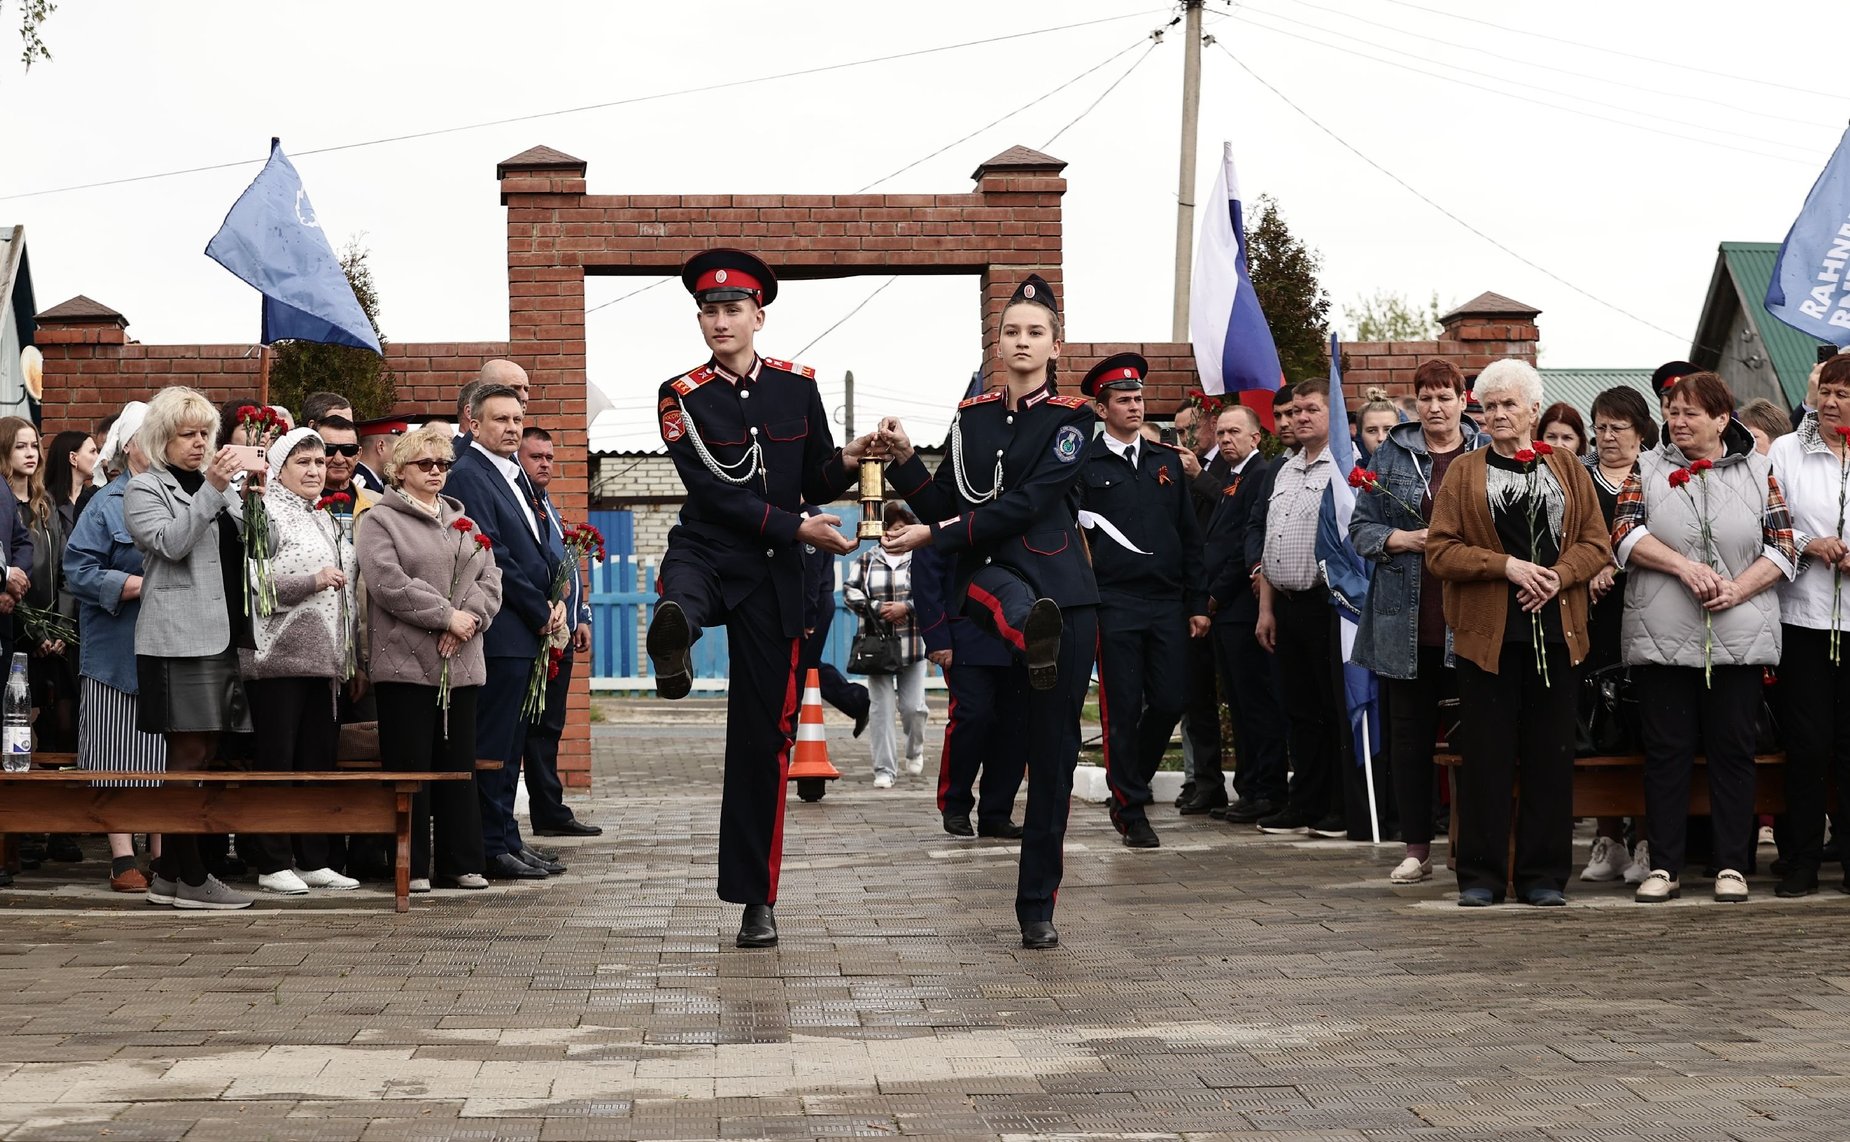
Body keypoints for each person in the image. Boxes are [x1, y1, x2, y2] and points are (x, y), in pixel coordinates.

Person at [644, 249, 874, 949]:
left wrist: (859, 453)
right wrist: (795, 523)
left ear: (758, 316)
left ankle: (756, 900)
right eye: (709, 311)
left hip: (778, 572)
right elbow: (715, 491)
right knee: (680, 594)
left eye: (732, 310)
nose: (720, 320)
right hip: (713, 548)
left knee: (759, 739)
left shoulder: (797, 388)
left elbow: (816, 475)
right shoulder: (680, 395)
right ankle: (674, 640)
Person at [878, 273, 1098, 950]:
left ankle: (1037, 907)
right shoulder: (971, 417)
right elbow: (948, 498)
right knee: (1000, 613)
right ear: (996, 343)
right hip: (988, 583)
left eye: (1036, 332)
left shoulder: (1074, 422)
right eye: (1011, 332)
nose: (1022, 342)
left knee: (1052, 754)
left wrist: (933, 535)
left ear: (1055, 344)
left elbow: (1026, 504)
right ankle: (1023, 630)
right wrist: (904, 461)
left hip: (1062, 593)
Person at [1427, 358, 1611, 907]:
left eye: (1510, 404)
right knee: (1486, 756)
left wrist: (1556, 576)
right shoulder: (1465, 470)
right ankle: (1481, 876)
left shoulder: (1568, 467)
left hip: (1557, 634)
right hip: (1488, 638)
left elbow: (1596, 543)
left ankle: (1543, 876)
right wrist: (1505, 566)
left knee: (1550, 758)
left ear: (1534, 409)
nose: (1499, 414)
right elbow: (1440, 549)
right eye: (1490, 405)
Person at [1614, 370, 1796, 903]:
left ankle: (1732, 866)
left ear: (1722, 418)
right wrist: (1682, 567)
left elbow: (1784, 546)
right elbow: (1624, 535)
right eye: (1672, 412)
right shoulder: (1646, 468)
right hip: (1663, 635)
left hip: (1738, 637)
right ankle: (1664, 866)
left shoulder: (1760, 471)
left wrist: (1738, 590)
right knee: (1666, 752)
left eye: (1691, 413)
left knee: (1733, 752)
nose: (1678, 422)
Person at [1348, 359, 1488, 885]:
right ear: (1415, 403)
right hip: (1404, 623)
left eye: (1445, 397)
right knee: (1408, 741)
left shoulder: (1484, 452)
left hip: (1471, 620)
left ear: (1461, 401)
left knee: (1473, 736)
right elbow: (1359, 529)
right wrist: (1400, 539)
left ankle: (1473, 843)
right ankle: (1415, 847)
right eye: (1425, 398)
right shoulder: (1390, 455)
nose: (1435, 407)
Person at [123, 387, 256, 910]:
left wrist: (251, 499)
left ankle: (169, 874)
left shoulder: (216, 485)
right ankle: (194, 878)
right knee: (185, 754)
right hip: (176, 638)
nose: (200, 443)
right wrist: (214, 490)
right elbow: (172, 544)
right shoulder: (144, 489)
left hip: (219, 632)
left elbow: (244, 543)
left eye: (206, 433)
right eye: (188, 434)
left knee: (205, 751)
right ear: (163, 438)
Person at [358, 422, 503, 892]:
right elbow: (387, 582)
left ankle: (460, 861)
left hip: (461, 661)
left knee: (458, 764)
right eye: (426, 464)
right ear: (399, 471)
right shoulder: (380, 520)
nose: (437, 471)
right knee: (410, 765)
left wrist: (468, 622)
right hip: (405, 662)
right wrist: (445, 617)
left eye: (443, 463)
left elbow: (490, 579)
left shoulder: (465, 521)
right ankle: (412, 864)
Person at [1077, 353, 1206, 846]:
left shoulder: (1165, 461)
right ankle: (1130, 809)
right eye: (1124, 401)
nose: (1135, 407)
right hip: (1114, 601)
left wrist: (1197, 601)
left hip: (1168, 602)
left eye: (1138, 398)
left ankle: (1128, 782)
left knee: (1171, 699)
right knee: (1122, 706)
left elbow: (1189, 537)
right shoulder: (1085, 465)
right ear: (1102, 408)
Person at [228, 428, 362, 895]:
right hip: (277, 659)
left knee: (316, 764)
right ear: (280, 468)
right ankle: (271, 859)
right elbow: (254, 585)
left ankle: (312, 857)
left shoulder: (322, 516)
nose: (314, 470)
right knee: (277, 763)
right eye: (302, 462)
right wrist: (312, 579)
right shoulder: (263, 512)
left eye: (320, 463)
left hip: (323, 662)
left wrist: (350, 655)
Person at [442, 382, 566, 882]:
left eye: (517, 419)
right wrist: (539, 607)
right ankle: (490, 845)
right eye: (501, 420)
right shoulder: (471, 472)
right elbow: (496, 554)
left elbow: (536, 547)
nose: (512, 428)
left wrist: (556, 601)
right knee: (493, 746)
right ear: (473, 423)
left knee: (512, 745)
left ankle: (508, 838)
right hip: (501, 630)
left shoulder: (511, 473)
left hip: (526, 627)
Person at [64, 402, 162, 894]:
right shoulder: (105, 505)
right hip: (115, 653)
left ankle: (164, 855)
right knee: (116, 753)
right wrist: (140, 585)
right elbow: (77, 571)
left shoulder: (178, 499)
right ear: (128, 447)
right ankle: (123, 856)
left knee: (164, 753)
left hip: (169, 648)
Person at [1769, 355, 1850, 897]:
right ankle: (1798, 859)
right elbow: (1771, 525)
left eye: (1843, 394)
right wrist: (1809, 544)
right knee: (1806, 744)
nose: (1830, 402)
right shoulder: (1786, 451)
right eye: (1826, 391)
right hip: (1804, 617)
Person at [1253, 379, 1348, 839]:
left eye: (1312, 408)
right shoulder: (1285, 469)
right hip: (1285, 604)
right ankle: (1303, 802)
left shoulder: (1346, 469)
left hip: (1326, 604)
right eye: (1296, 410)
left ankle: (1336, 806)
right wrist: (1266, 609)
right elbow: (1271, 540)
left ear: (1333, 413)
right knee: (1299, 709)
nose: (1301, 417)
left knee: (1331, 708)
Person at [1578, 386, 1658, 886]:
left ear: (1641, 431)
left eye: (1618, 427)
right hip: (1592, 615)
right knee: (1602, 728)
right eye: (1601, 426)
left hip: (1649, 609)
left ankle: (1649, 840)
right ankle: (1607, 838)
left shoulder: (1658, 474)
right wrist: (1589, 566)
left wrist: (1617, 564)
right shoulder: (1578, 477)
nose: (1608, 437)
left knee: (1648, 727)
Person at [1202, 404, 1288, 826]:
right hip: (1226, 611)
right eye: (1220, 433)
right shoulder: (1232, 478)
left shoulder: (1260, 475)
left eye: (1234, 432)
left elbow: (1242, 546)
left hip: (1242, 606)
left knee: (1256, 704)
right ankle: (1249, 787)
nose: (1225, 440)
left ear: (1256, 437)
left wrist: (1215, 594)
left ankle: (1266, 789)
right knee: (1238, 703)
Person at [912, 520, 1024, 839]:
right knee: (972, 716)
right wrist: (937, 638)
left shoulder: (1016, 496)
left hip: (1015, 632)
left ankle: (997, 813)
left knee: (1014, 725)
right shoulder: (951, 499)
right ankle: (955, 804)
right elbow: (927, 574)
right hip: (966, 634)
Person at [515, 425, 601, 838]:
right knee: (529, 728)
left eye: (549, 457)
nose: (545, 463)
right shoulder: (520, 501)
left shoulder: (546, 502)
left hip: (562, 632)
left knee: (550, 725)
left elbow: (567, 564)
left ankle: (550, 811)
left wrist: (582, 616)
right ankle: (542, 811)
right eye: (537, 457)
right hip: (533, 630)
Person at [1, 417, 78, 757]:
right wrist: (32, 631)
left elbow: (65, 568)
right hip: (19, 631)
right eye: (20, 446)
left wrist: (60, 625)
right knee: (18, 722)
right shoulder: (6, 504)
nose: (30, 453)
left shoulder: (44, 505)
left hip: (53, 633)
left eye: (34, 445)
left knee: (62, 725)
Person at [843, 502, 930, 789]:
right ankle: (884, 770)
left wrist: (906, 607)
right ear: (883, 532)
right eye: (892, 531)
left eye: (903, 531)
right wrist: (878, 608)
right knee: (881, 709)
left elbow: (932, 594)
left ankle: (915, 749)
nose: (896, 537)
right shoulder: (868, 559)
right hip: (876, 646)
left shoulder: (920, 559)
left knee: (913, 708)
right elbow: (849, 592)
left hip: (912, 645)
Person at [1173, 398, 1229, 813]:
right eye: (1176, 432)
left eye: (1188, 430)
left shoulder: (1231, 468)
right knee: (1194, 699)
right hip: (1191, 599)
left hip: (1228, 600)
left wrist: (1199, 477)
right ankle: (1203, 781)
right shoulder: (1178, 470)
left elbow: (1237, 509)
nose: (1183, 439)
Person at [798, 503, 871, 737]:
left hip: (814, 606)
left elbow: (811, 574)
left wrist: (807, 617)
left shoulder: (809, 516)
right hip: (813, 605)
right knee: (808, 667)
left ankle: (785, 730)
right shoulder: (806, 514)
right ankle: (857, 702)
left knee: (800, 669)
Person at [47, 429, 99, 532]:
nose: (98, 457)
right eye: (92, 451)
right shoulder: (45, 502)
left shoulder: (94, 498)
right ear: (73, 458)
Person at [352, 418, 404, 496]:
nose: (402, 456)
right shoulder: (358, 486)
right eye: (399, 449)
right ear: (381, 446)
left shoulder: (381, 483)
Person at [1355, 387, 1399, 463]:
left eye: (1388, 430)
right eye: (1372, 431)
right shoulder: (1347, 472)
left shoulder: (1419, 470)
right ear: (1360, 435)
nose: (1381, 438)